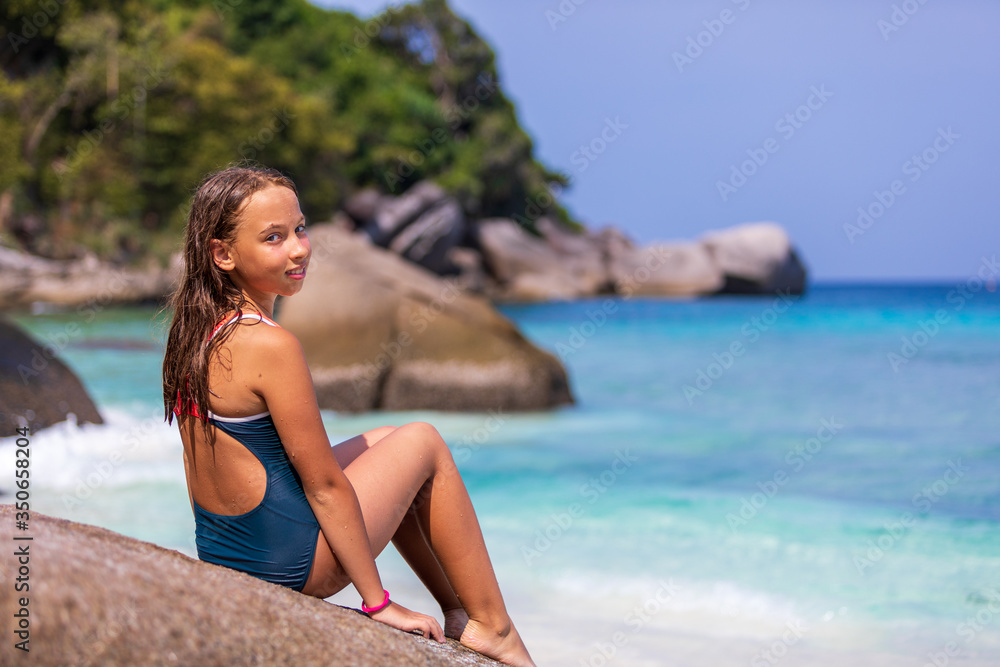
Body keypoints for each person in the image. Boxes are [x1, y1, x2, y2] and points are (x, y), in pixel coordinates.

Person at [162, 165, 535, 666]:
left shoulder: (197, 333)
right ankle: (494, 627)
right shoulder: (271, 345)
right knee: (423, 440)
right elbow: (323, 486)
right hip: (293, 566)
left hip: (234, 555)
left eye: (299, 228)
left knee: (388, 437)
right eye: (273, 238)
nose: (298, 249)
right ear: (222, 254)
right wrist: (377, 603)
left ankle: (457, 611)